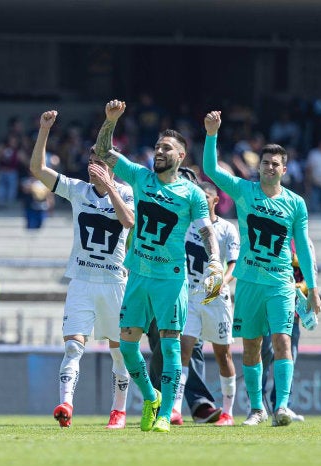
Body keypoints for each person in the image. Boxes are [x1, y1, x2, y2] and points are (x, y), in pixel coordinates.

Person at [96, 100, 224, 433]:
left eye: (166, 147)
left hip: (171, 279)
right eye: (157, 146)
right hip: (138, 272)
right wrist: (110, 121)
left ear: (181, 156)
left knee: (170, 346)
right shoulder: (140, 177)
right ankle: (151, 396)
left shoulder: (192, 194)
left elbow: (207, 229)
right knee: (126, 345)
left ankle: (166, 413)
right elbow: (103, 151)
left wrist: (214, 260)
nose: (159, 151)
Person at [202, 110, 321, 427]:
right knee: (252, 346)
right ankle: (257, 408)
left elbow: (304, 249)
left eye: (275, 164)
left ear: (284, 169)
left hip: (282, 283)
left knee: (283, 340)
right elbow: (210, 169)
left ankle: (281, 406)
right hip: (249, 282)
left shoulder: (296, 203)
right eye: (265, 163)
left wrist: (312, 289)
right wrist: (212, 134)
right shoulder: (244, 190)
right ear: (260, 166)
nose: (270, 167)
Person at [31, 109, 135, 429]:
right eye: (91, 160)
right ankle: (66, 404)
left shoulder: (129, 192)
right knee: (74, 345)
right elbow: (37, 169)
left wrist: (111, 188)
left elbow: (129, 221)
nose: (93, 167)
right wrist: (44, 130)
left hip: (115, 282)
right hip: (82, 280)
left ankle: (118, 410)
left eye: (100, 161)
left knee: (120, 352)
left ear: (112, 166)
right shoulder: (77, 189)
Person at [172, 181, 240, 426]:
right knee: (183, 351)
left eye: (204, 198)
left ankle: (228, 413)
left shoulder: (227, 229)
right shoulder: (186, 224)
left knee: (223, 355)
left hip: (215, 298)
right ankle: (175, 410)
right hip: (190, 295)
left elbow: (234, 263)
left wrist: (223, 280)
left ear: (215, 201)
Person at [260, 238, 315, 424]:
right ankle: (258, 404)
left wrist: (301, 288)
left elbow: (311, 274)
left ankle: (282, 405)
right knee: (266, 353)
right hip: (271, 305)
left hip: (294, 309)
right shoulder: (273, 233)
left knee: (289, 354)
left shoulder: (304, 241)